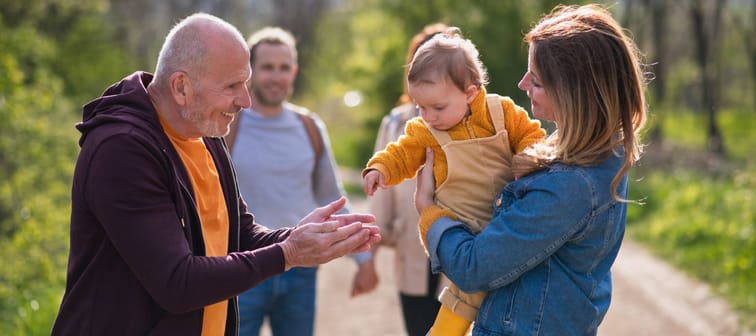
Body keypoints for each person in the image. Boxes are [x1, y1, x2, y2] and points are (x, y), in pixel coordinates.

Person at [51, 13, 380, 336]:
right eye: (232, 86)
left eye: (246, 83)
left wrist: (300, 237)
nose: (246, 101)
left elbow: (239, 235)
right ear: (182, 87)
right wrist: (288, 253)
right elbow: (177, 283)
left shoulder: (205, 133)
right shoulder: (122, 151)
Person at [414, 4, 648, 335]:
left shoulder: (569, 186)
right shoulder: (601, 154)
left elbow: (474, 267)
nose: (523, 84)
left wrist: (429, 212)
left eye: (536, 80)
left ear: (572, 92)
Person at [362, 27, 545, 335]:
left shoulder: (501, 112)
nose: (428, 116)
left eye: (437, 107)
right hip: (456, 224)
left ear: (470, 92)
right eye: (420, 107)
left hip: (503, 220)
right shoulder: (425, 130)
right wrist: (380, 168)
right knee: (462, 294)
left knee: (513, 284)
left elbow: (532, 135)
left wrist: (528, 159)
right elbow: (401, 153)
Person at [224, 26, 378, 336]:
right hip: (242, 268)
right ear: (250, 72)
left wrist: (364, 260)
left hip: (301, 270)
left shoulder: (309, 127)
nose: (276, 77)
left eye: (284, 68)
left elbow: (330, 197)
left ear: (294, 72)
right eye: (267, 67)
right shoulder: (226, 125)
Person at [368, 22, 451, 336]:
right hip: (412, 250)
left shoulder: (475, 121)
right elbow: (381, 196)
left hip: (462, 253)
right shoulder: (396, 121)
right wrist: (369, 256)